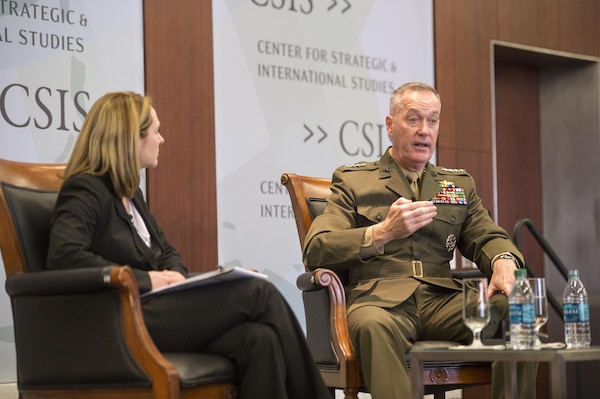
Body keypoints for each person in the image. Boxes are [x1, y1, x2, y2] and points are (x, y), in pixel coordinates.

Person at [47, 91, 330, 399]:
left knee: (259, 339)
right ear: (131, 138)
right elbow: (64, 256)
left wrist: (174, 276)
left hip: (156, 310)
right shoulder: (86, 188)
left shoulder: (130, 194)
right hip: (120, 319)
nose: (162, 139)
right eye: (155, 131)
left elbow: (167, 252)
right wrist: (146, 279)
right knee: (257, 292)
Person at [303, 82, 536, 398]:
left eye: (433, 120)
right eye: (413, 119)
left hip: (444, 300)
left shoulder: (456, 184)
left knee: (518, 308)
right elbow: (317, 248)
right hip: (380, 302)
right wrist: (382, 232)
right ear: (390, 125)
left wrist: (504, 261)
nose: (425, 130)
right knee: (372, 325)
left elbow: (487, 235)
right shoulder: (355, 181)